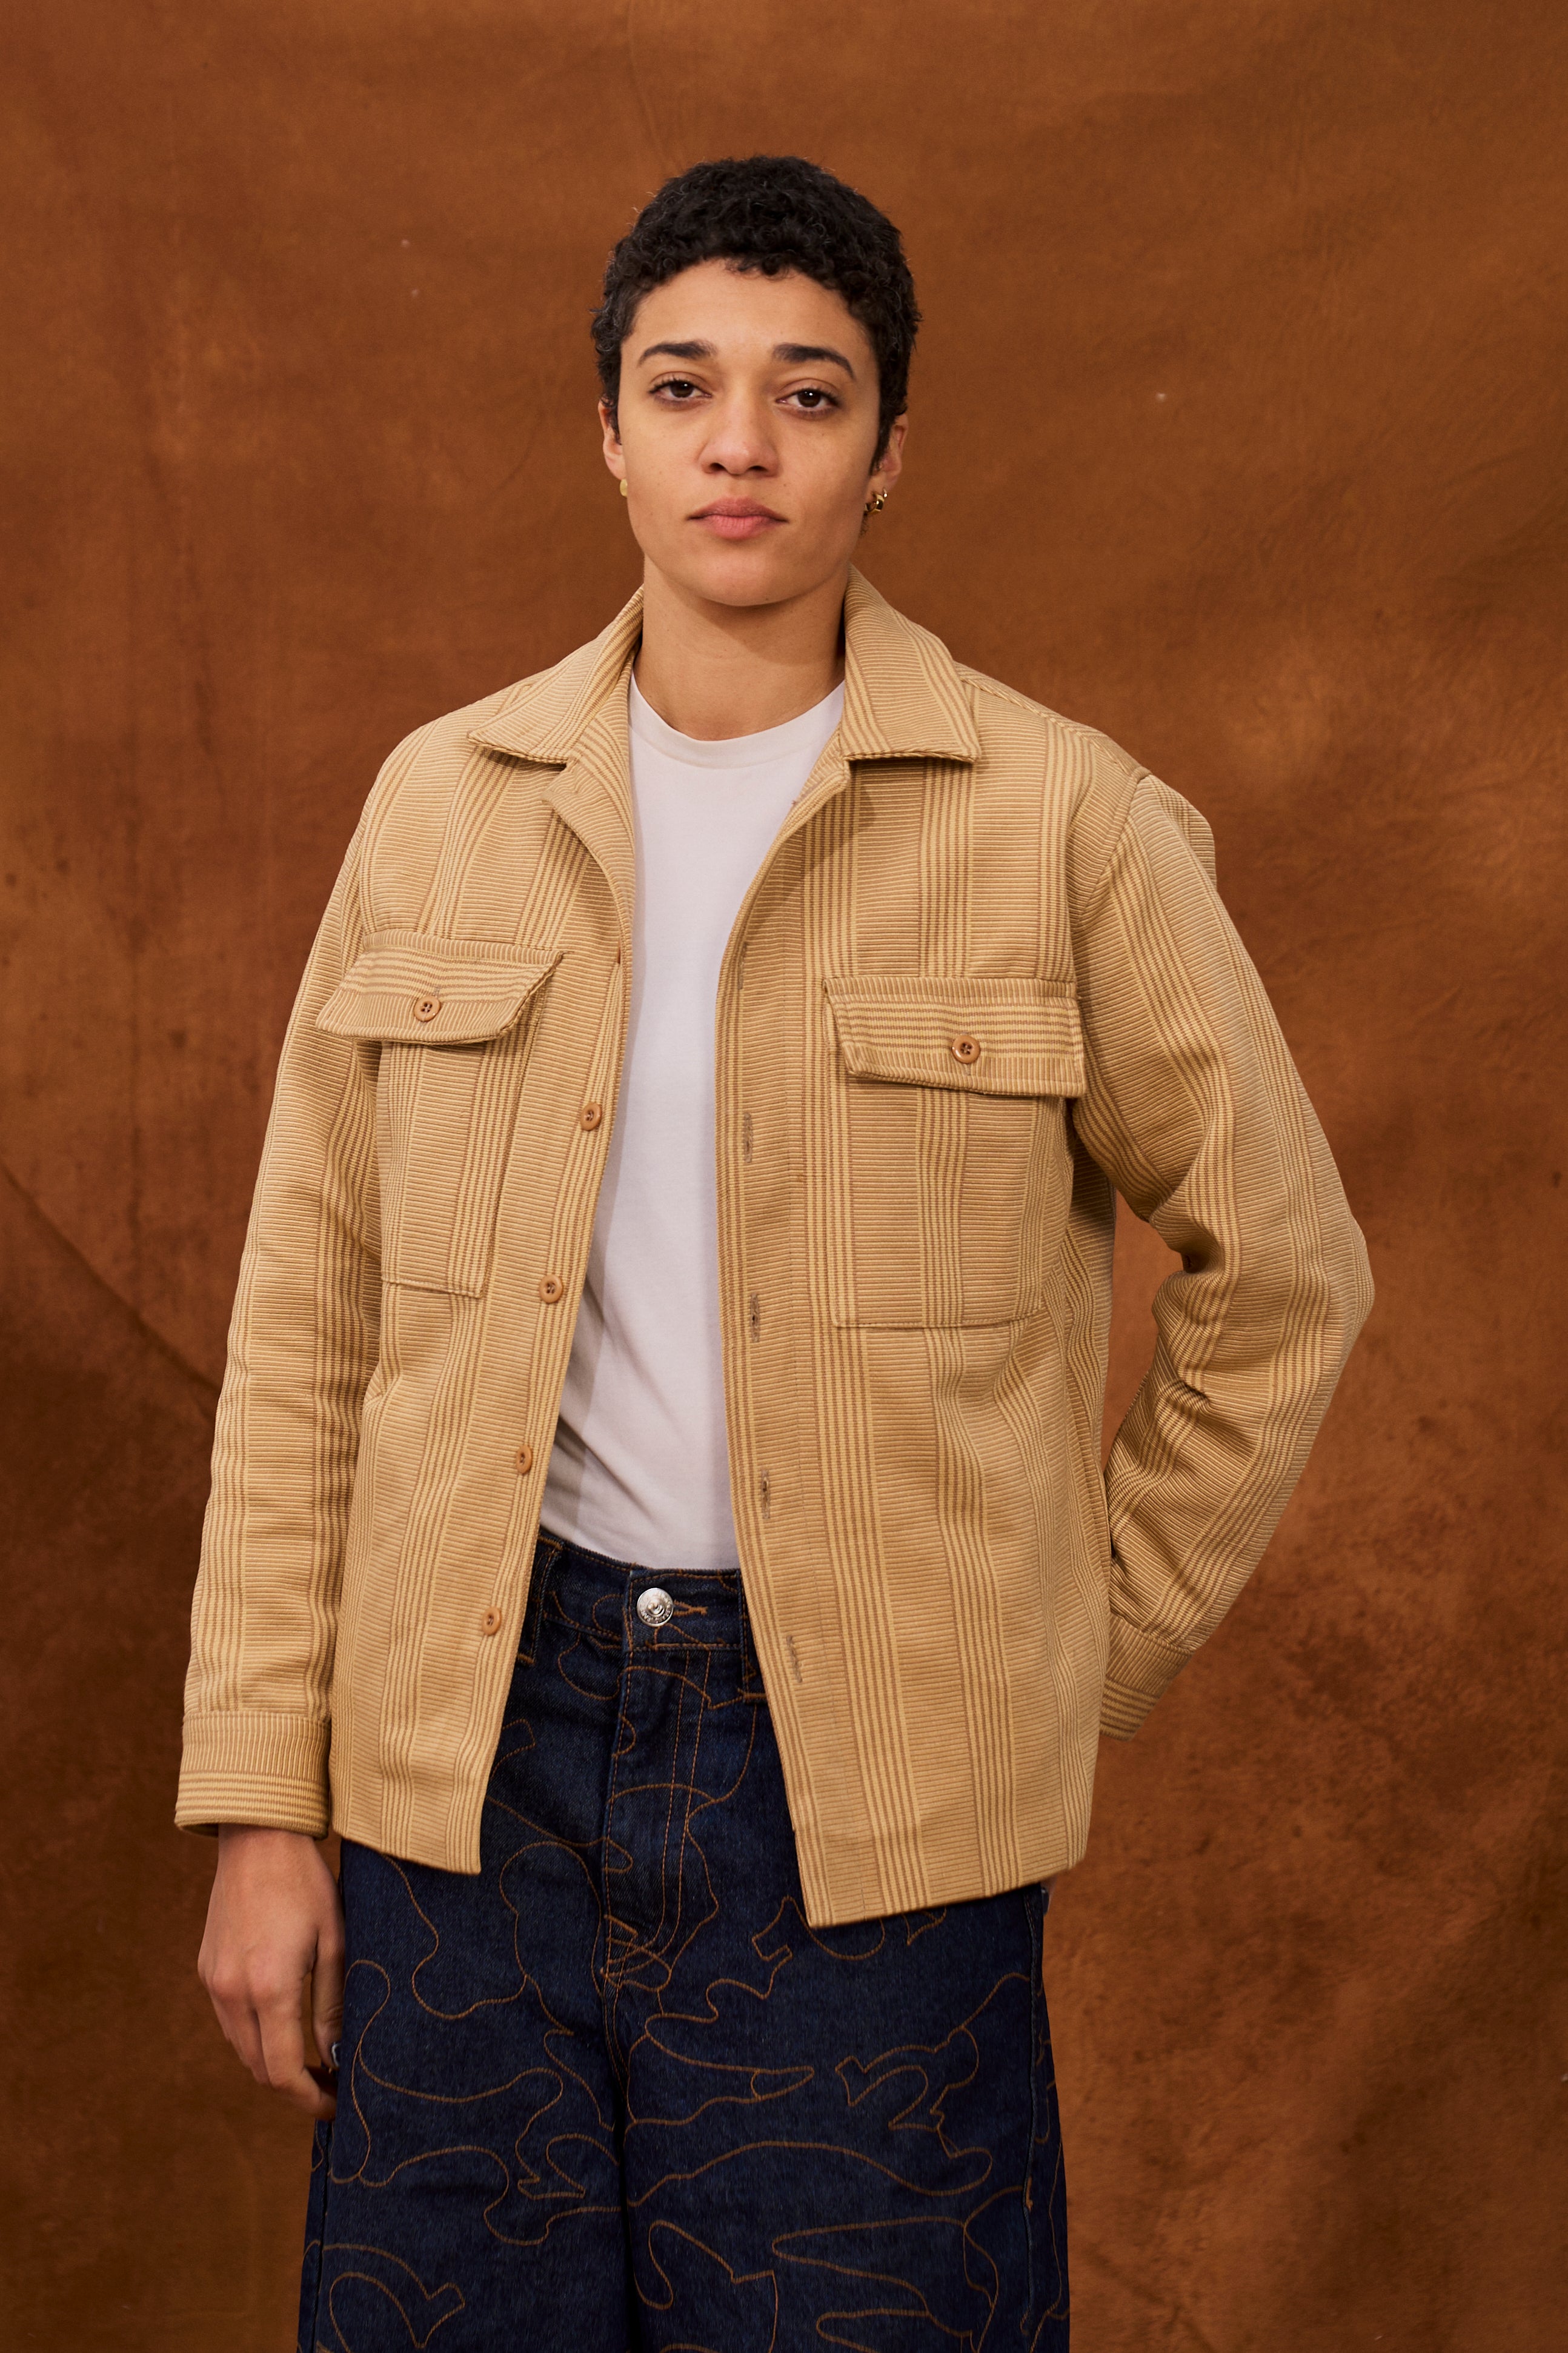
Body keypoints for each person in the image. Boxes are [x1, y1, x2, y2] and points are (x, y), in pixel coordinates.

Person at [179, 154, 1372, 2352]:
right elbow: (305, 1322)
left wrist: (1065, 1645)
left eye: (808, 395)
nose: (741, 442)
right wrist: (265, 1801)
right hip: (470, 1761)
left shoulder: (1062, 820)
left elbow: (1284, 1278)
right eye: (683, 385)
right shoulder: (441, 806)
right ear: (608, 432)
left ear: (887, 449)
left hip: (866, 1801)